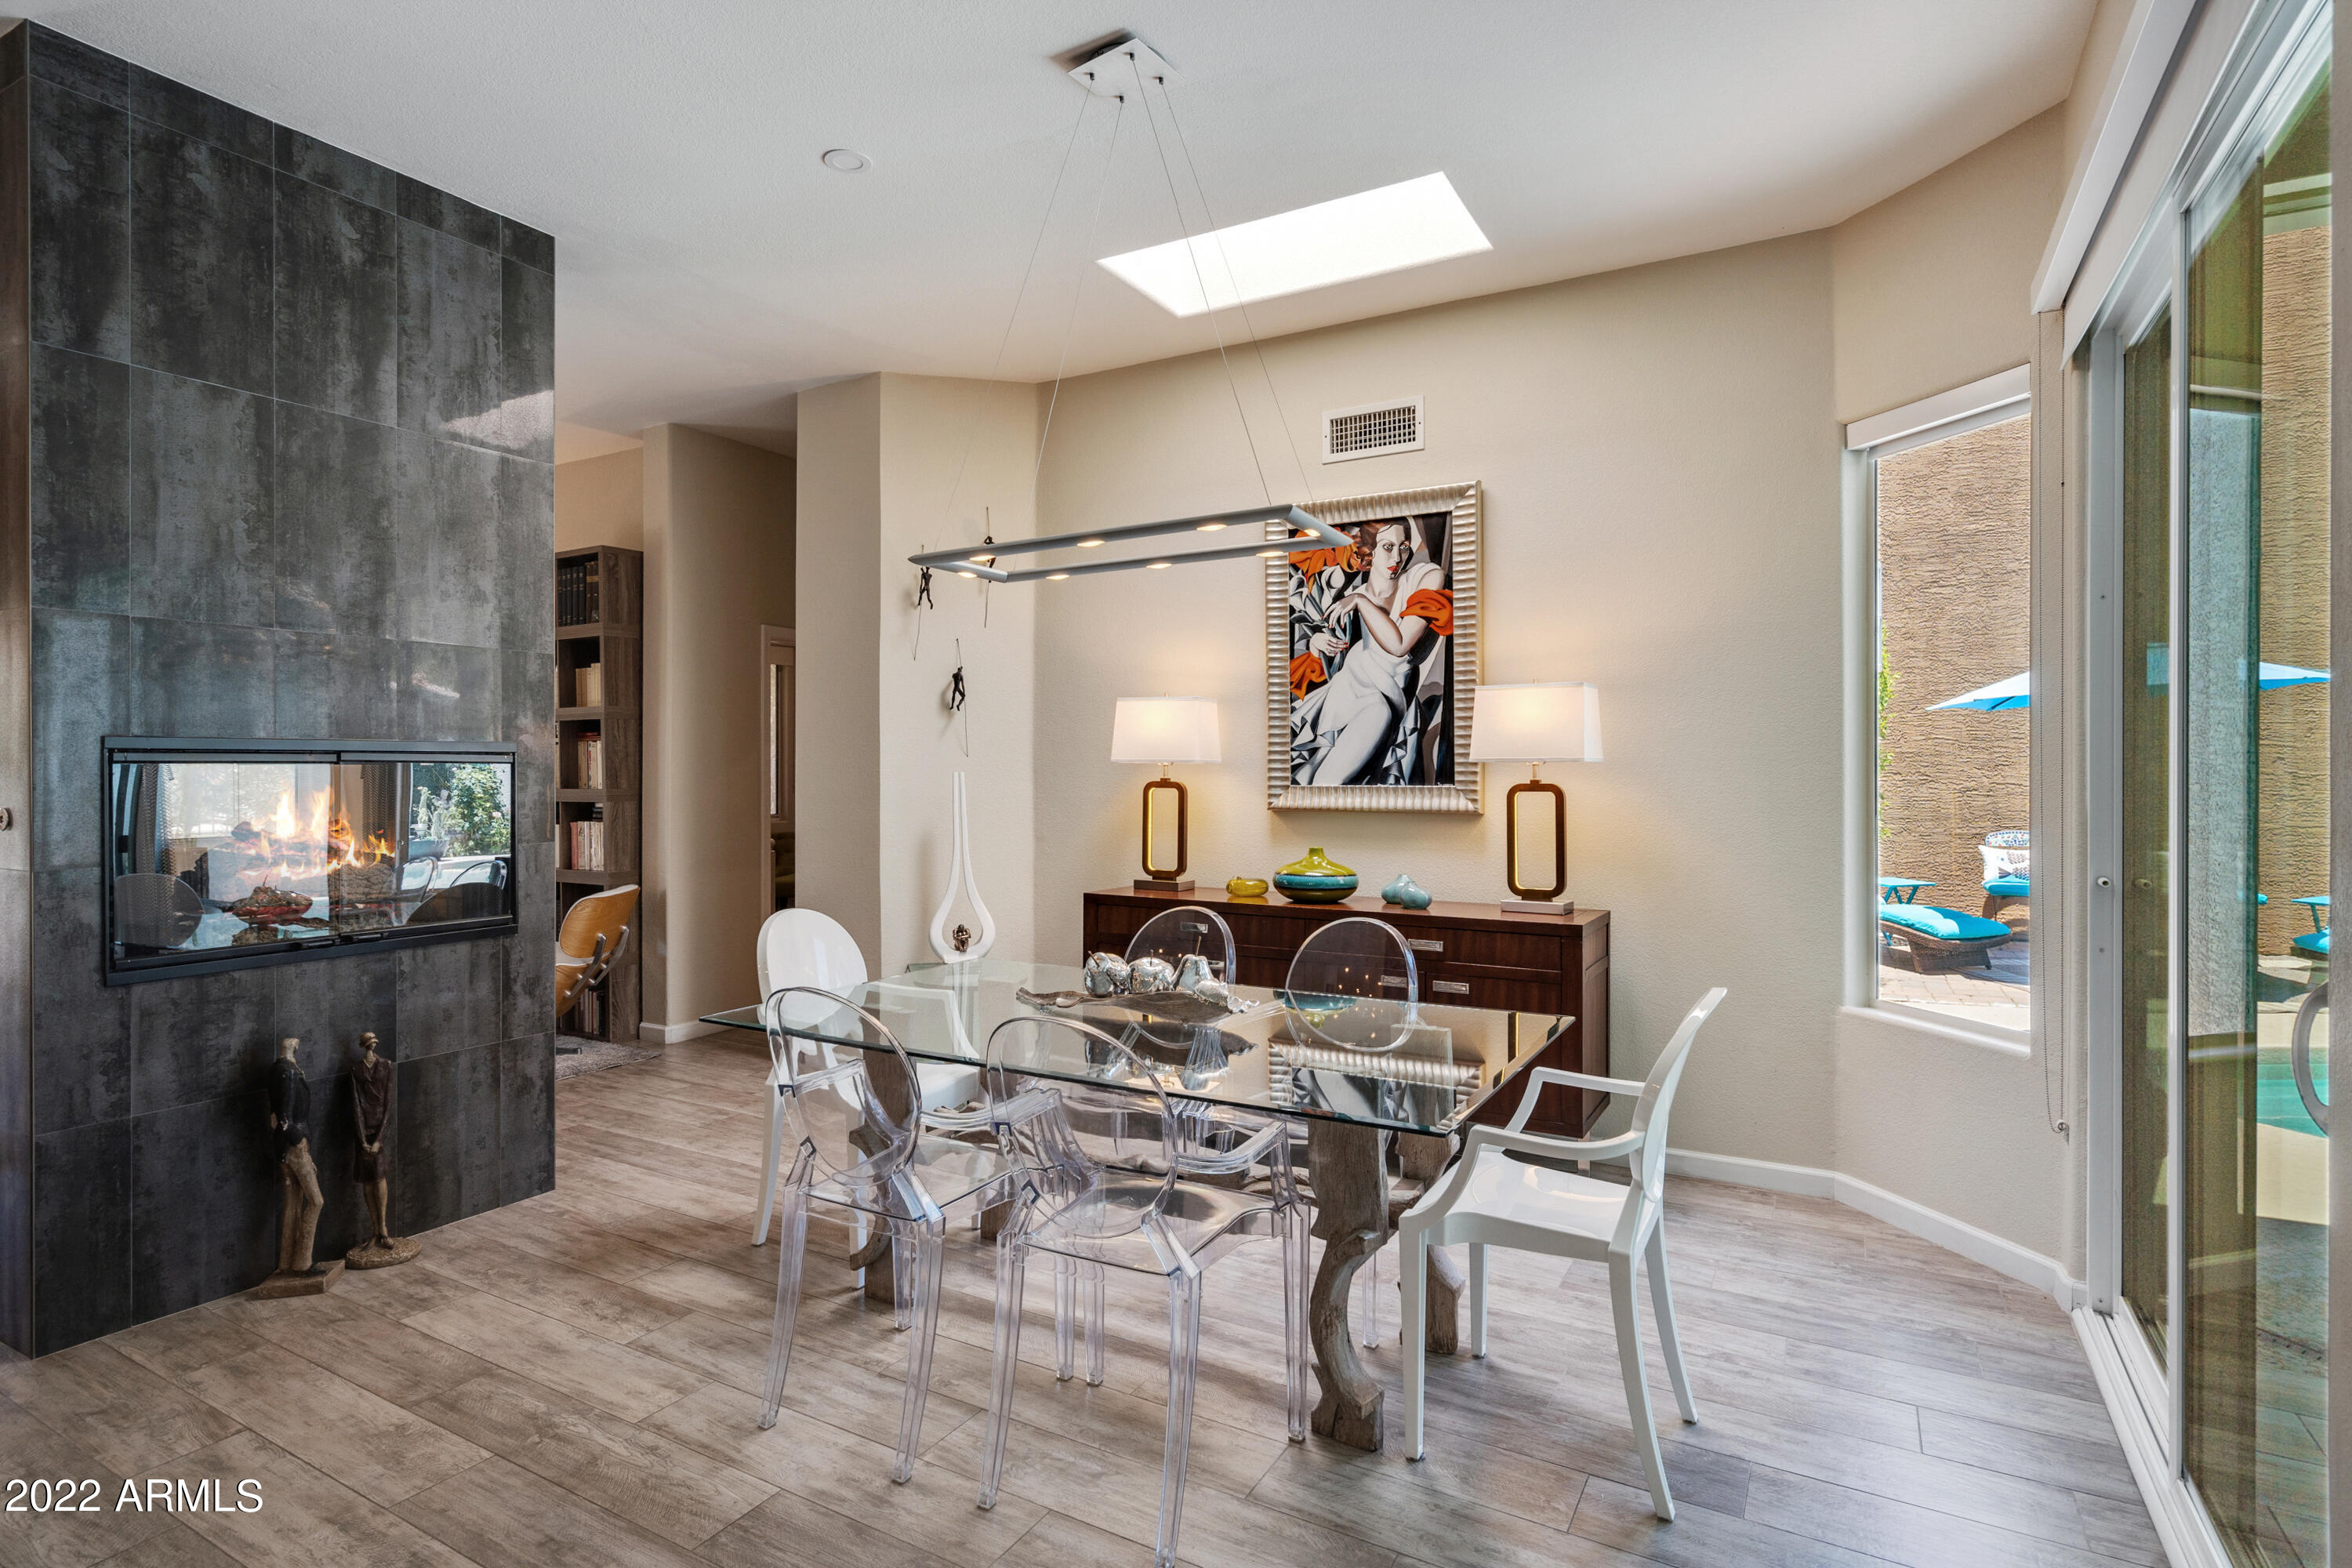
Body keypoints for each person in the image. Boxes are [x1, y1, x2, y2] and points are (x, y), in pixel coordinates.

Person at [1289, 517, 1454, 786]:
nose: (1398, 556)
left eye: (1404, 547)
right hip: (1343, 692)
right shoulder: (1349, 594)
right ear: (1369, 552)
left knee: (1326, 785)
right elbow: (1332, 656)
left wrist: (1361, 602)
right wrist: (1317, 644)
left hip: (1381, 702)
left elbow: (1399, 645)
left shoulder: (1424, 577)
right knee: (1308, 780)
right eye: (1388, 547)